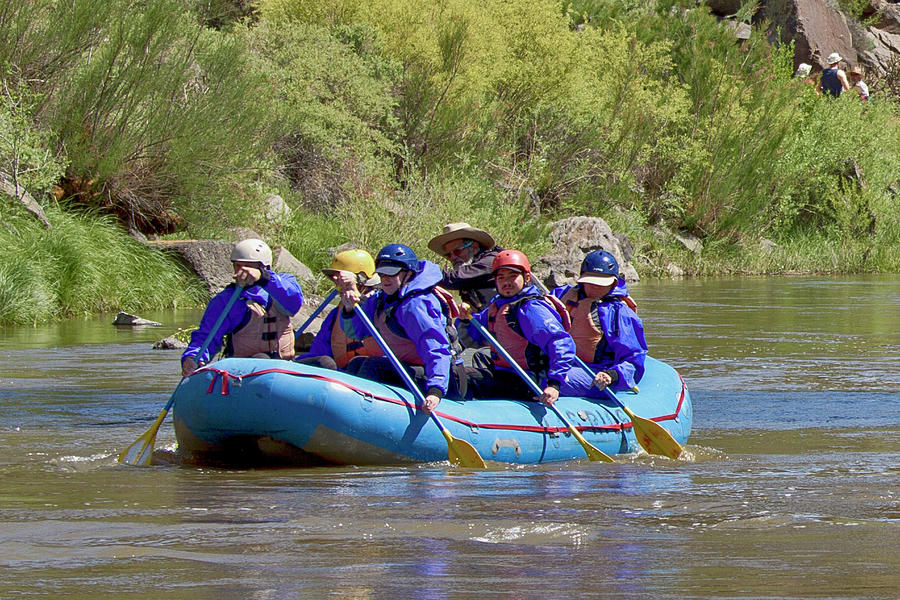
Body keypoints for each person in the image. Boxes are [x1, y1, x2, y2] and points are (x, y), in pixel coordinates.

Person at [459, 249, 597, 406]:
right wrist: (465, 319)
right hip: (506, 373)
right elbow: (473, 338)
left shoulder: (532, 309)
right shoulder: (498, 305)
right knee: (470, 362)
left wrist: (554, 384)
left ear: (527, 278)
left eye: (513, 276)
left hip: (529, 381)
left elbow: (561, 343)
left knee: (463, 377)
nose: (506, 282)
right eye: (501, 277)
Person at [337, 243, 464, 413]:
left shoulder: (416, 305)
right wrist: (348, 310)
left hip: (444, 377)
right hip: (411, 368)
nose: (385, 279)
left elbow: (436, 348)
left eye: (391, 273)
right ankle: (347, 415)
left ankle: (357, 415)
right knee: (357, 364)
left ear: (408, 273)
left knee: (374, 367)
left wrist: (435, 390)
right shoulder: (381, 299)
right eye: (382, 274)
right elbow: (356, 332)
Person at [181, 239, 304, 376]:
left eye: (247, 267)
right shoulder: (227, 300)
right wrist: (192, 358)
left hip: (284, 366)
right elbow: (206, 336)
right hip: (243, 370)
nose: (241, 272)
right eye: (237, 266)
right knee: (261, 359)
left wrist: (263, 278)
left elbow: (293, 302)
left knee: (324, 362)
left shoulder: (283, 284)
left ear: (264, 267)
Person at [549, 250, 647, 392]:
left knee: (543, 378)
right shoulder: (562, 295)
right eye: (591, 282)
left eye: (602, 283)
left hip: (596, 373)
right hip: (561, 364)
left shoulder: (620, 313)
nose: (595, 287)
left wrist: (612, 375)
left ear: (613, 283)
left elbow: (634, 359)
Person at [295, 249, 381, 370]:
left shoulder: (381, 305)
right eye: (336, 280)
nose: (339, 285)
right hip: (341, 376)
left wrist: (358, 299)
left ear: (360, 279)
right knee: (323, 362)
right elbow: (319, 351)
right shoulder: (336, 315)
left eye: (342, 280)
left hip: (373, 374)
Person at [427, 222, 503, 311]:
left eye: (457, 251)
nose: (453, 258)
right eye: (449, 255)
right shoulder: (472, 268)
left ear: (474, 247)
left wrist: (423, 271)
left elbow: (453, 279)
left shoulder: (491, 261)